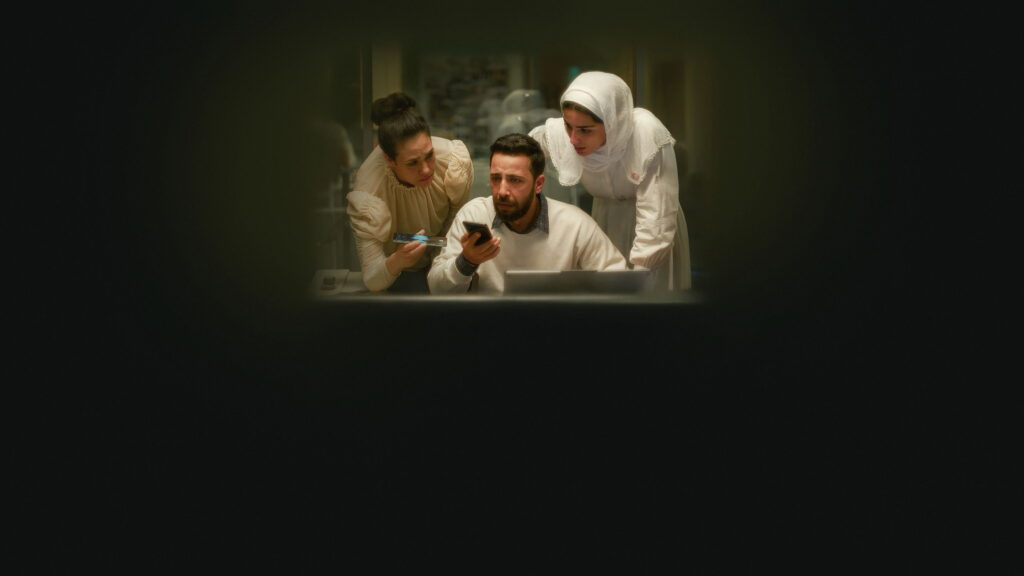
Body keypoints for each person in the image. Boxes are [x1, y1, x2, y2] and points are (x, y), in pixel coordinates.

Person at [529, 71, 692, 290]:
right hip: (605, 219)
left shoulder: (646, 134)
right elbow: (527, 148)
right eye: (568, 125)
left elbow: (656, 219)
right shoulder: (571, 129)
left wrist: (639, 278)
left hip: (653, 230)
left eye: (585, 130)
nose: (573, 139)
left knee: (650, 298)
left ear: (612, 123)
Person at [428, 133, 626, 294]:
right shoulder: (475, 214)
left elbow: (619, 284)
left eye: (514, 180)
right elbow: (437, 290)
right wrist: (467, 262)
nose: (502, 191)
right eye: (496, 178)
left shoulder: (574, 224)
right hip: (490, 325)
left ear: (538, 184)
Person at [346, 92, 473, 292]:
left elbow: (454, 221)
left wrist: (442, 258)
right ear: (389, 160)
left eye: (429, 155)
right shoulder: (369, 191)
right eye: (412, 163)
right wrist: (398, 260)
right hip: (399, 272)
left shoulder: (451, 161)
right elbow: (372, 279)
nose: (426, 170)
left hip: (443, 257)